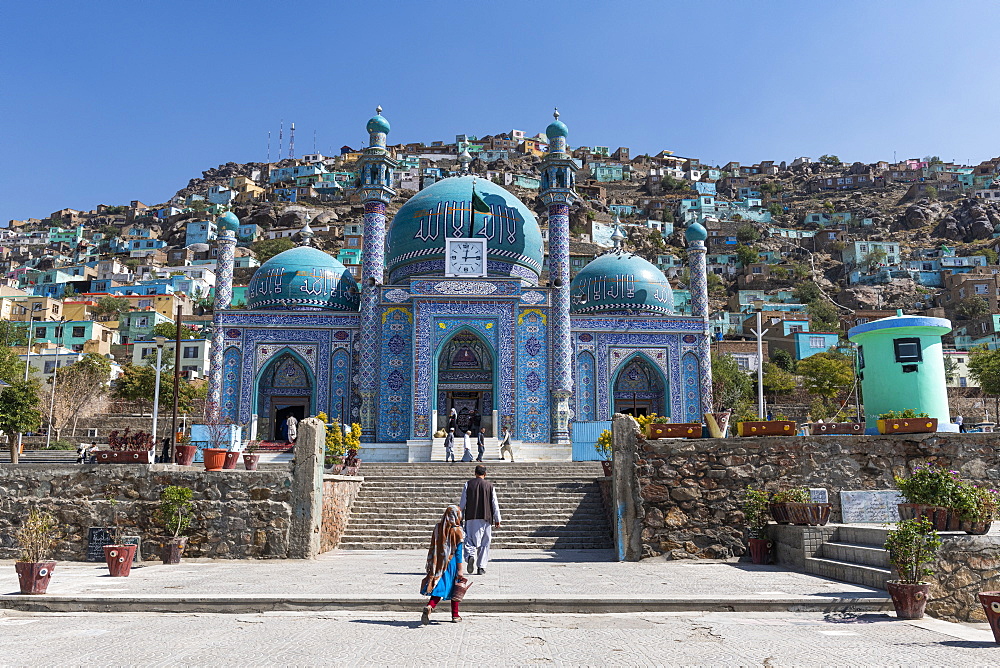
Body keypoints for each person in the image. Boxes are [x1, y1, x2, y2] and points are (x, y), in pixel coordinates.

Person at [420, 504, 468, 624]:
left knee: (439, 586)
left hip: (438, 562)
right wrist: (460, 570)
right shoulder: (457, 530)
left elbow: (433, 546)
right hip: (451, 563)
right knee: (456, 588)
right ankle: (455, 615)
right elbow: (458, 553)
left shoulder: (438, 528)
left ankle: (430, 606)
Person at [460, 464, 502, 575]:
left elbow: (462, 503)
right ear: (485, 474)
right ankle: (481, 567)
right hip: (486, 518)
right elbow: (494, 503)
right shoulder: (490, 486)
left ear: (475, 473)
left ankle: (470, 556)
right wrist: (497, 518)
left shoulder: (468, 484)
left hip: (471, 517)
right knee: (485, 543)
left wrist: (460, 517)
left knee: (469, 540)